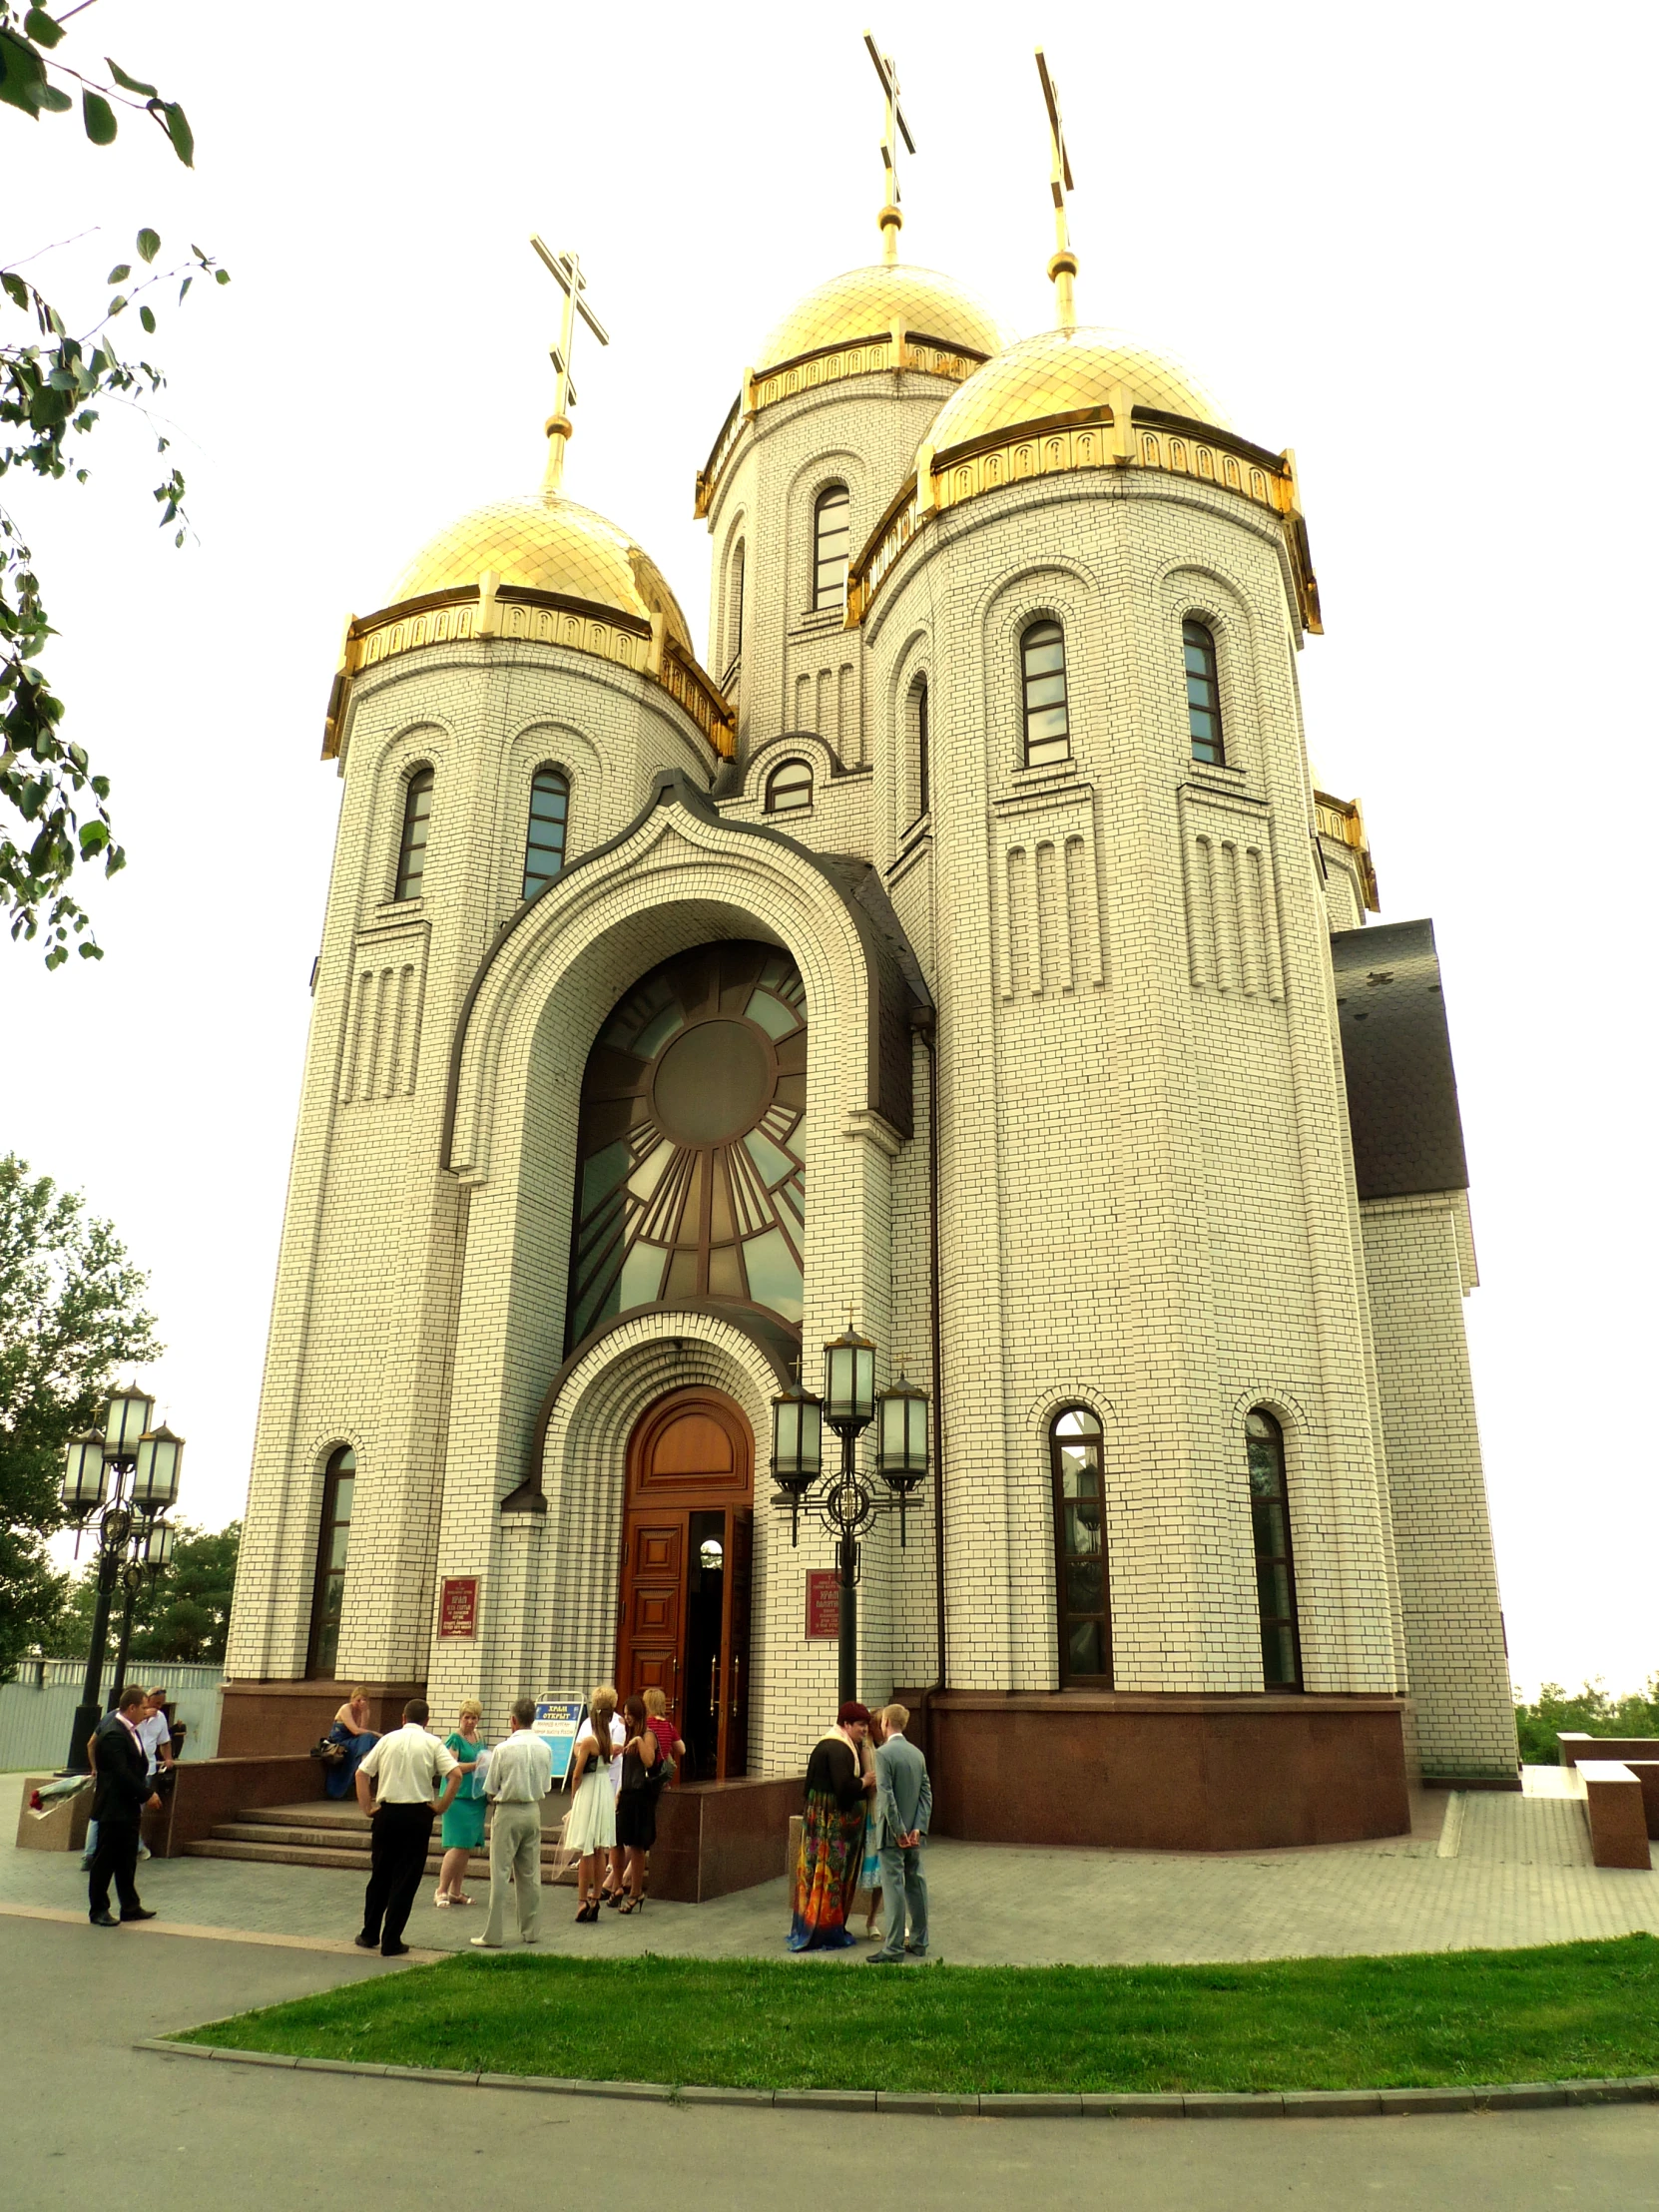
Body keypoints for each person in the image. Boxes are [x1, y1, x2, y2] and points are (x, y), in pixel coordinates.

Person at [353, 1698, 460, 1956]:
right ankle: (392, 1940)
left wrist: (367, 1808)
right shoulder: (432, 1742)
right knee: (406, 1878)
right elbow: (455, 1774)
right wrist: (441, 1806)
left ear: (403, 1717)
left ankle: (369, 1934)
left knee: (380, 1874)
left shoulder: (388, 1739)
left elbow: (361, 1773)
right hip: (417, 1814)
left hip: (387, 1813)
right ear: (427, 1721)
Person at [787, 1700, 877, 1951]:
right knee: (830, 1875)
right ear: (846, 1724)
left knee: (813, 1871)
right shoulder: (840, 1749)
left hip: (817, 1821)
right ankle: (825, 1931)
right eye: (860, 1725)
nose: (864, 1730)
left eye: (867, 1725)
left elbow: (808, 1788)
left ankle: (808, 1925)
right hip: (833, 1827)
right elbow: (843, 1788)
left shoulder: (828, 1743)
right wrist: (865, 1781)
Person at [470, 1697, 554, 1949]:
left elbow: (491, 1786)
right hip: (532, 1810)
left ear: (513, 1721)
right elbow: (547, 1785)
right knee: (530, 1873)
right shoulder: (545, 1748)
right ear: (534, 1720)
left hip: (507, 1810)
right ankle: (531, 1930)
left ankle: (493, 1934)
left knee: (500, 1873)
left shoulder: (503, 1749)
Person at [86, 1684, 162, 1928]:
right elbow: (121, 1772)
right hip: (114, 1807)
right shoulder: (114, 1733)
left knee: (127, 1858)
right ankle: (98, 1909)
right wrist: (146, 1794)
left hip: (127, 1807)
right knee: (105, 1860)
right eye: (143, 1707)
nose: (146, 1711)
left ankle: (130, 1906)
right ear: (131, 1707)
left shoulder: (130, 1729)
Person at [866, 1704, 932, 1963]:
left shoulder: (883, 1754)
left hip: (892, 1835)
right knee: (916, 1884)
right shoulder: (917, 1754)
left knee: (893, 1888)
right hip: (914, 1835)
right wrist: (918, 1827)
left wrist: (898, 1830)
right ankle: (919, 1941)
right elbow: (926, 1793)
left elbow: (886, 1796)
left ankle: (893, 1947)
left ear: (885, 1723)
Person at [565, 1686, 618, 1924]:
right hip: (604, 1789)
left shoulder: (589, 1740)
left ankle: (581, 1900)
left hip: (589, 1790)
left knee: (586, 1848)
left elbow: (577, 1774)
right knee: (599, 1848)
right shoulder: (609, 1740)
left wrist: (574, 1796)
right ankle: (596, 1897)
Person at [434, 1698, 487, 1907]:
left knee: (466, 1846)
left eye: (474, 1718)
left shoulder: (479, 1737)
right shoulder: (454, 1739)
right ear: (460, 1717)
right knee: (457, 1845)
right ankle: (441, 1890)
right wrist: (475, 1765)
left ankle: (456, 1891)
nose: (471, 1722)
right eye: (467, 1717)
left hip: (476, 1798)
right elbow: (450, 1767)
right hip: (457, 1798)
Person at [614, 1695, 659, 1913]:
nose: (626, 1718)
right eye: (624, 1713)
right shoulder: (628, 1735)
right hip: (628, 1794)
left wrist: (639, 1742)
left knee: (638, 1846)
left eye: (629, 1714)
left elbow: (649, 1760)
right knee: (620, 1841)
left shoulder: (646, 1735)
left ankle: (636, 1893)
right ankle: (618, 1886)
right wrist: (619, 1792)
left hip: (641, 1796)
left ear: (638, 1714)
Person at [134, 1688, 176, 1863]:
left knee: (138, 1810)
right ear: (147, 1700)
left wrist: (168, 1758)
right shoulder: (135, 1713)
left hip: (148, 1769)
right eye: (156, 1703)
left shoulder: (160, 1718)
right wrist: (144, 1715)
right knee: (132, 1810)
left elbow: (164, 1741)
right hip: (131, 1768)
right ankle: (137, 1846)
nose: (158, 1707)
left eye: (161, 1704)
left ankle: (136, 1846)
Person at [858, 1707, 887, 1939]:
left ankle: (872, 1919)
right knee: (873, 1866)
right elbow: (872, 1781)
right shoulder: (867, 1749)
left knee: (884, 1872)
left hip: (886, 1814)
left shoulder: (889, 1748)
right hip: (873, 1814)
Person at [323, 1686, 380, 1802]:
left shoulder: (365, 1711)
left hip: (354, 1741)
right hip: (340, 1741)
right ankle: (360, 1782)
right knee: (370, 1737)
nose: (360, 1703)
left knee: (370, 1741)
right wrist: (376, 1733)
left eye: (364, 1700)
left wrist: (364, 1712)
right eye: (358, 1700)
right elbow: (355, 1730)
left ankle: (365, 1779)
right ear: (352, 1699)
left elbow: (362, 1731)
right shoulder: (346, 1708)